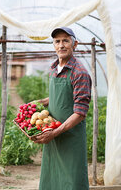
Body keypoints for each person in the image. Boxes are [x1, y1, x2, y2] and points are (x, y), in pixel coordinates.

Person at [34, 27, 92, 190]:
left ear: (75, 44)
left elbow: (80, 113)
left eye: (66, 40)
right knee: (52, 180)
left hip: (69, 137)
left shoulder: (79, 73)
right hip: (52, 134)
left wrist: (55, 132)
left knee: (72, 181)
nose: (61, 45)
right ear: (53, 45)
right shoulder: (55, 68)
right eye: (57, 41)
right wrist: (41, 102)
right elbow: (62, 96)